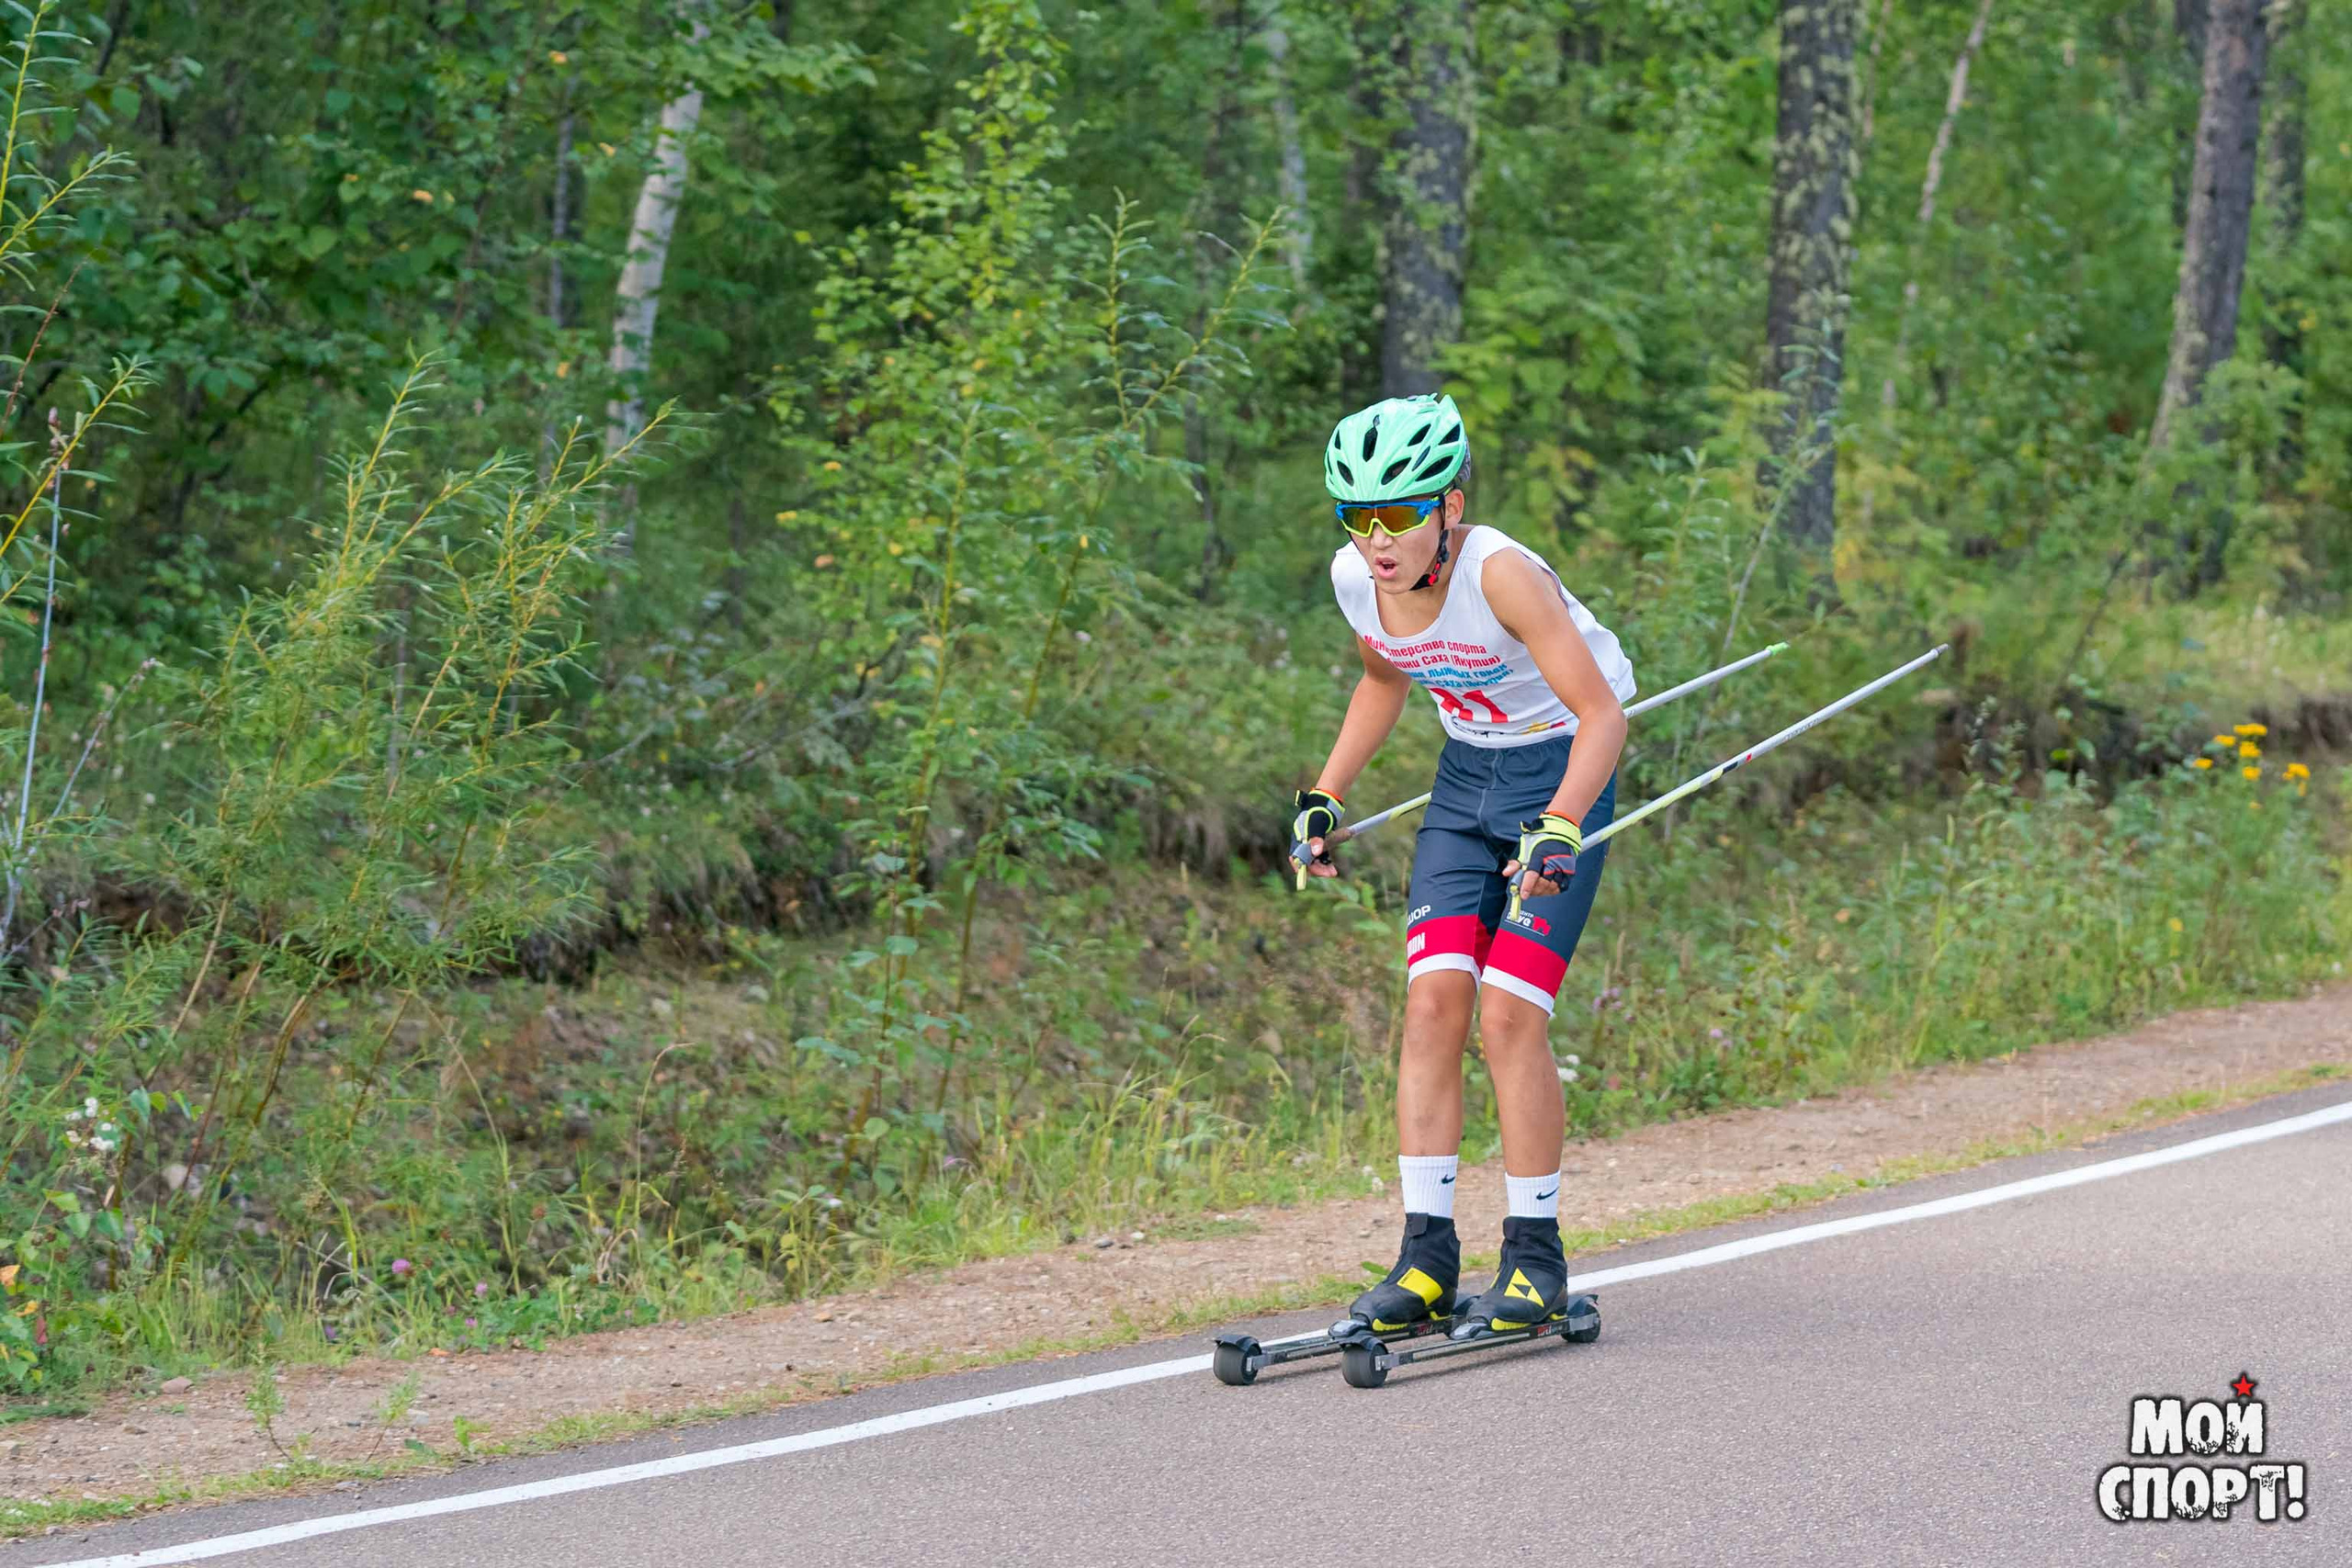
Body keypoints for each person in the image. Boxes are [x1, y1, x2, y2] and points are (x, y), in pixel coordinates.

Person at [1292, 392, 1633, 1340]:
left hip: (1559, 770)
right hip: (1462, 785)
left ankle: (1533, 1260)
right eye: (1355, 518)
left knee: (1508, 1013)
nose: (1377, 541)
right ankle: (1426, 1260)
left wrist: (1561, 823)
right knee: (1432, 1003)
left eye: (1398, 515)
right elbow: (1381, 679)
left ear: (1450, 502)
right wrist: (1323, 794)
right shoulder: (1358, 581)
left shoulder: (1503, 575)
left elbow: (1603, 717)